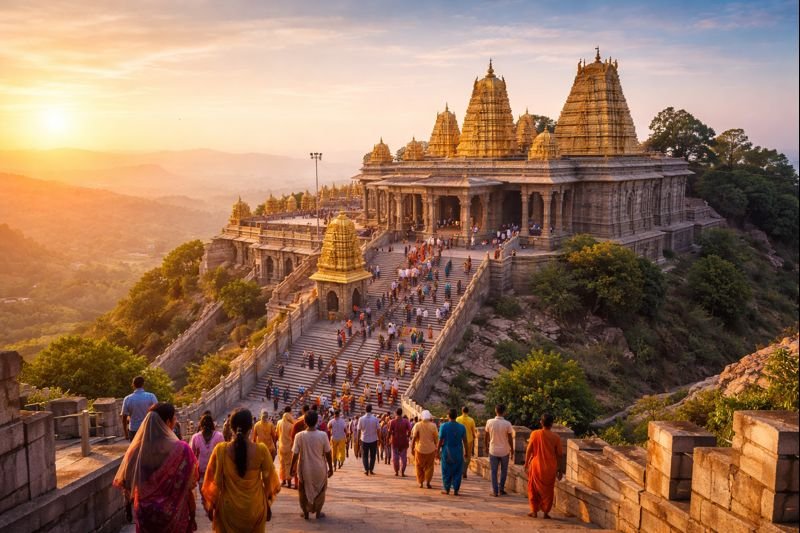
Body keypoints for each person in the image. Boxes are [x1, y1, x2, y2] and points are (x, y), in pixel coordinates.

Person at [114, 403, 198, 532]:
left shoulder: (136, 451)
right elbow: (190, 483)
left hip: (145, 514)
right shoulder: (182, 449)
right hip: (174, 513)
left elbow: (127, 481)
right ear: (168, 422)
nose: (175, 421)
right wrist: (192, 512)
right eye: (174, 418)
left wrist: (129, 507)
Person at [202, 408, 281, 532]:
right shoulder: (261, 450)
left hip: (228, 510)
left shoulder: (221, 450)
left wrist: (211, 506)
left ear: (231, 428)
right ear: (251, 428)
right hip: (255, 508)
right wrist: (267, 505)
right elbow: (269, 481)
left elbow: (213, 481)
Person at [291, 410, 334, 520]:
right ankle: (318, 513)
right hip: (319, 468)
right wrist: (331, 468)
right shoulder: (323, 435)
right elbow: (328, 453)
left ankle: (306, 514)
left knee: (303, 491)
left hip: (305, 469)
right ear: (316, 422)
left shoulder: (299, 436)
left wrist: (291, 468)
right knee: (320, 491)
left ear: (304, 422)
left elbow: (295, 454)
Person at [526, 413, 563, 519]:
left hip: (536, 466)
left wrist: (526, 462)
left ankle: (534, 511)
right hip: (550, 468)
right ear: (552, 424)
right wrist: (560, 469)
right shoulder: (556, 437)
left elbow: (529, 449)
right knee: (548, 491)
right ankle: (546, 512)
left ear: (541, 422)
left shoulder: (535, 434)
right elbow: (559, 455)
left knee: (533, 489)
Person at [190, 414, 225, 499]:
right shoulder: (196, 437)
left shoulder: (218, 436)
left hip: (213, 473)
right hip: (205, 473)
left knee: (208, 497)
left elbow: (191, 456)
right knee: (209, 497)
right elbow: (192, 455)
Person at [485, 403, 515, 497]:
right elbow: (510, 438)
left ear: (495, 410)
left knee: (493, 471)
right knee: (504, 471)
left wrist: (486, 446)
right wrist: (512, 450)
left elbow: (486, 436)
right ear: (504, 412)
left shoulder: (489, 422)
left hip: (493, 450)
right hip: (504, 450)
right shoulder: (507, 424)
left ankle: (495, 491)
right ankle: (501, 489)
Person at [437, 408, 467, 496]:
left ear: (448, 416)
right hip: (458, 452)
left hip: (447, 452)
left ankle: (447, 489)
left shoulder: (443, 426)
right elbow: (465, 441)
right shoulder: (462, 427)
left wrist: (437, 451)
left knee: (446, 470)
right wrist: (466, 451)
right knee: (457, 470)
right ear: (456, 416)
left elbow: (440, 440)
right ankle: (456, 489)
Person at [120, 375, 158, 441]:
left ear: (133, 385)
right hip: (148, 428)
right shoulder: (151, 396)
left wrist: (126, 433)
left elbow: (124, 418)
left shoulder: (127, 399)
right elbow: (158, 413)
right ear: (143, 384)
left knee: (135, 447)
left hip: (134, 429)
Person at [410, 410, 438, 489]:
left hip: (419, 449)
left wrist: (412, 448)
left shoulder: (417, 425)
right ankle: (428, 482)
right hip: (431, 450)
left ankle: (421, 482)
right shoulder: (433, 426)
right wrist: (437, 448)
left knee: (419, 466)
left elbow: (414, 437)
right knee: (430, 467)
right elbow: (436, 438)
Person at [356, 404, 381, 475]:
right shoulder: (375, 419)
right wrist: (379, 439)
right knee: (373, 456)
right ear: (371, 410)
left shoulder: (361, 419)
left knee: (365, 455)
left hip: (364, 439)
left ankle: (366, 470)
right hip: (373, 439)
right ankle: (371, 469)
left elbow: (358, 430)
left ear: (365, 410)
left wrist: (358, 440)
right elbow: (378, 430)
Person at [388, 407, 412, 477]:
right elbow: (410, 430)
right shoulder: (406, 421)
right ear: (402, 413)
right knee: (403, 457)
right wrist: (407, 436)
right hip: (403, 441)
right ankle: (402, 472)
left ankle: (396, 471)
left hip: (395, 441)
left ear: (396, 413)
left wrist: (388, 438)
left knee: (395, 457)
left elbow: (389, 431)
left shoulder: (392, 421)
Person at [276, 408, 296, 488]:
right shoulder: (291, 425)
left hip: (281, 446)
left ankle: (283, 481)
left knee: (282, 463)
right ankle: (289, 482)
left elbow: (277, 433)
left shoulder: (279, 423)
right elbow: (293, 436)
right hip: (289, 447)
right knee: (288, 464)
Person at [456, 406, 478, 479]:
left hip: (459, 440)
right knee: (467, 456)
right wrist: (474, 437)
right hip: (469, 440)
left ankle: (460, 470)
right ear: (468, 411)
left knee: (460, 455)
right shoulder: (471, 420)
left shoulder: (458, 419)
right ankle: (464, 471)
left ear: (462, 411)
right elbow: (473, 431)